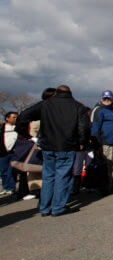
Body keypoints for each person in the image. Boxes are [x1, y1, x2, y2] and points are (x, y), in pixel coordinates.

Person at [23, 85, 89, 216]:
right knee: (62, 176)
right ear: (70, 93)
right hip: (66, 145)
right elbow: (84, 127)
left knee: (48, 177)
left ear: (57, 92)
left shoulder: (45, 104)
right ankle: (58, 207)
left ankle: (45, 208)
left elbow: (24, 115)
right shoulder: (77, 106)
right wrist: (82, 142)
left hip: (48, 146)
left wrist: (25, 135)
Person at [90, 90, 113, 194]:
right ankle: (105, 186)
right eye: (104, 98)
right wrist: (97, 144)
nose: (107, 100)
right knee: (107, 166)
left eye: (109, 98)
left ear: (112, 99)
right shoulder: (98, 110)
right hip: (106, 143)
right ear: (101, 99)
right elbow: (95, 127)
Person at [0, 111, 18, 196]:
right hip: (2, 153)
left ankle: (11, 188)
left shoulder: (18, 127)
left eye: (16, 117)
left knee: (11, 171)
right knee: (3, 171)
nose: (15, 119)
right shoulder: (2, 127)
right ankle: (5, 187)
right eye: (13, 117)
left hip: (14, 153)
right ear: (7, 118)